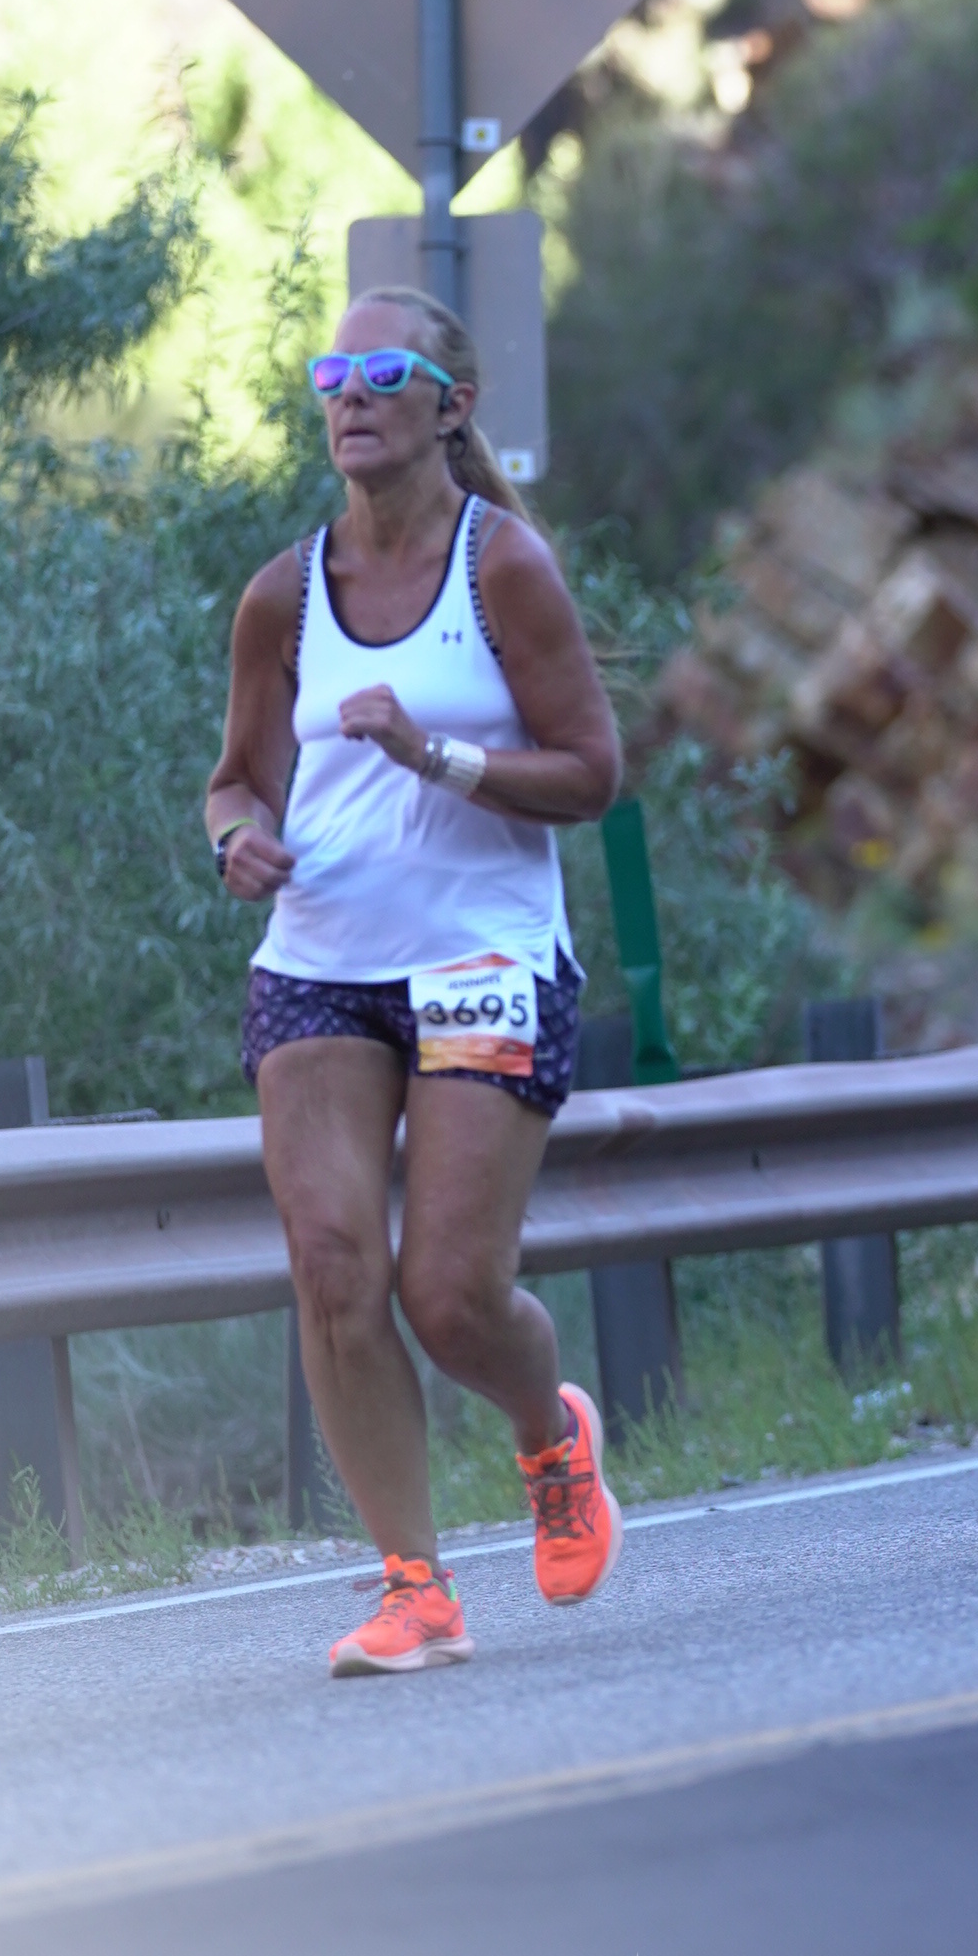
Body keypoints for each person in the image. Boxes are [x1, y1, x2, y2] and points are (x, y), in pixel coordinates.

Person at [205, 288, 626, 1673]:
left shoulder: (505, 568)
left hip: (482, 955)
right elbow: (236, 781)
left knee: (448, 1293)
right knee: (334, 1267)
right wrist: (236, 842)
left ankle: (549, 1438)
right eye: (334, 371)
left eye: (385, 372)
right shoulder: (282, 594)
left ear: (452, 406)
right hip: (320, 960)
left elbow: (592, 773)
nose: (351, 393)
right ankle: (414, 1588)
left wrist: (432, 756)